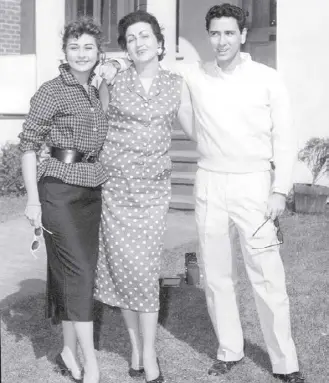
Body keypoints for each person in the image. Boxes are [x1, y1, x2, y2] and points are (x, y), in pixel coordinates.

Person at [100, 3, 305, 383]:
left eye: (229, 33)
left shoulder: (267, 78)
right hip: (210, 181)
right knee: (215, 274)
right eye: (215, 33)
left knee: (266, 274)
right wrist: (114, 65)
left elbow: (285, 137)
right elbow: (148, 67)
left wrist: (280, 189)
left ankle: (284, 360)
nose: (222, 40)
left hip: (255, 183)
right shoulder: (192, 77)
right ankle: (229, 349)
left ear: (242, 35)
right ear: (208, 36)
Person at [94, 10, 194, 383]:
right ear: (126, 47)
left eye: (145, 36)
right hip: (116, 191)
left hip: (152, 193)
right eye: (131, 38)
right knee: (124, 272)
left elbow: (196, 129)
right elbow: (96, 123)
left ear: (159, 42)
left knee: (143, 272)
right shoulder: (114, 79)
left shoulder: (177, 84)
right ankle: (137, 350)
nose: (138, 42)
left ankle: (148, 355)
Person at [19, 18, 109, 383]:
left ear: (98, 52)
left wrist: (113, 70)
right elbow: (28, 146)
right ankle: (91, 362)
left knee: (77, 276)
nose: (82, 53)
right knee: (81, 274)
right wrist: (32, 201)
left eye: (88, 47)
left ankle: (68, 350)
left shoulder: (96, 90)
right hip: (57, 189)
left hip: (91, 191)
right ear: (65, 52)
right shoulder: (51, 91)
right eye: (75, 47)